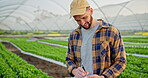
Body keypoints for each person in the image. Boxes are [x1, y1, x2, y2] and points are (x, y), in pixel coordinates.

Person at [66, 0, 126, 78]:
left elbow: (120, 61)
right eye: (78, 20)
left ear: (91, 11)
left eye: (84, 17)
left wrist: (103, 77)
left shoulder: (111, 32)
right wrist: (74, 70)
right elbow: (69, 60)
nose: (82, 23)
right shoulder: (74, 35)